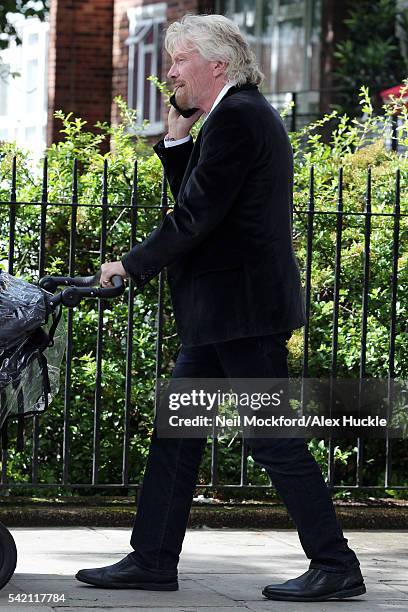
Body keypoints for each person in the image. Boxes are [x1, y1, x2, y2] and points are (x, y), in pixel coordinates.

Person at [75, 14, 366, 602]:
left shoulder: (238, 117)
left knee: (272, 439)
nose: (170, 71)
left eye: (179, 59)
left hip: (243, 312)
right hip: (221, 314)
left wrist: (129, 264)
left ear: (217, 64)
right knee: (178, 435)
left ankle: (336, 564)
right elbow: (203, 201)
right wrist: (178, 139)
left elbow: (194, 217)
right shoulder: (233, 118)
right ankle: (153, 558)